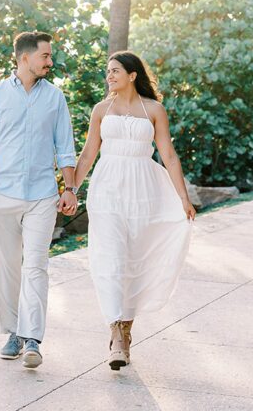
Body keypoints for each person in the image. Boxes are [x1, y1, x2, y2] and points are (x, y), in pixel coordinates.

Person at [74, 50, 196, 370]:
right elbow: (87, 155)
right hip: (108, 189)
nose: (109, 76)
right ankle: (115, 332)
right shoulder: (102, 109)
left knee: (135, 260)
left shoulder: (154, 109)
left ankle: (126, 329)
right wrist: (70, 188)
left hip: (144, 189)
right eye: (107, 72)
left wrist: (183, 198)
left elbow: (168, 155)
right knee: (110, 256)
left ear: (132, 75)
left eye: (115, 71)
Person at [0, 30, 78, 369]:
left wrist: (70, 188)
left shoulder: (55, 98)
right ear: (24, 58)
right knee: (6, 268)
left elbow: (65, 148)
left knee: (36, 266)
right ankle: (14, 332)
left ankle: (32, 338)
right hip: (0, 195)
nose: (50, 61)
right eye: (45, 56)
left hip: (42, 196)